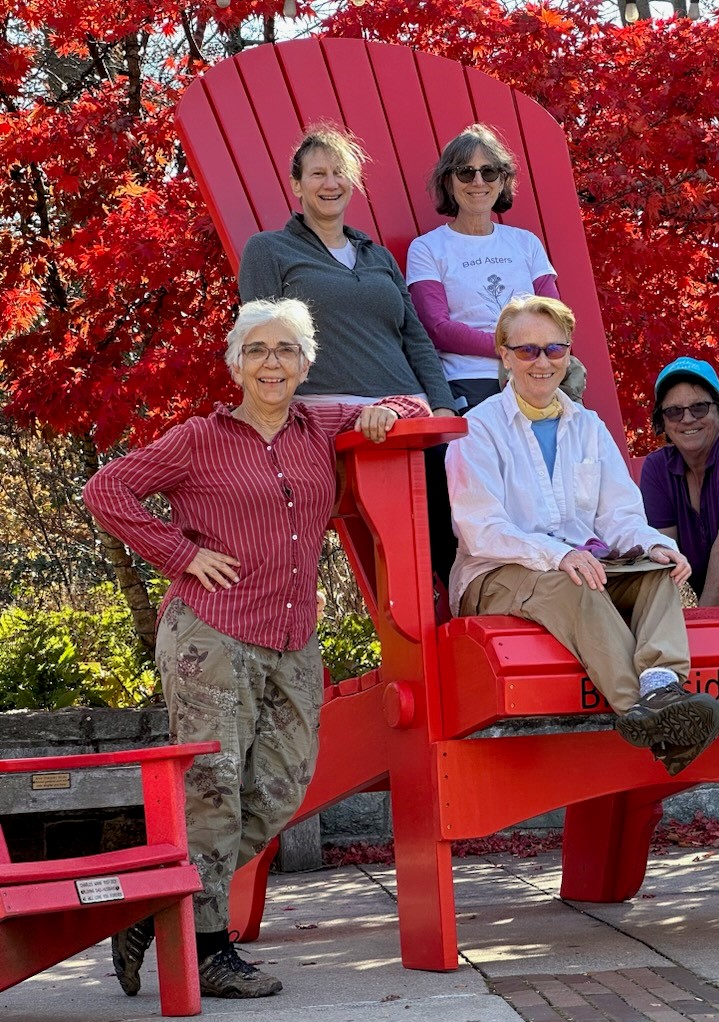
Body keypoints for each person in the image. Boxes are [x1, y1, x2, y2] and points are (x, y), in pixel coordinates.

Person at [83, 298, 428, 999]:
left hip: (291, 634)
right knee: (213, 792)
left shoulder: (320, 424)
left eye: (286, 350)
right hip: (210, 632)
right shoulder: (197, 439)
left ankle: (152, 902)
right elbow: (107, 490)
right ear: (236, 362)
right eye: (258, 350)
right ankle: (209, 951)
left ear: (306, 363)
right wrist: (179, 554)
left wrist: (383, 412)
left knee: (281, 786)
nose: (272, 363)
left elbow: (410, 402)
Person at [446, 295, 719, 775]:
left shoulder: (588, 427)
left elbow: (617, 515)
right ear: (503, 353)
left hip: (583, 569)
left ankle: (661, 686)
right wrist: (558, 555)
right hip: (496, 574)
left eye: (554, 350)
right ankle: (641, 709)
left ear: (568, 355)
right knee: (572, 580)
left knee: (653, 573)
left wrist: (656, 545)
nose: (542, 362)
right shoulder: (477, 429)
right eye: (527, 350)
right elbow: (482, 530)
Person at [237, 123, 457, 579]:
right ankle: (421, 617)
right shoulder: (269, 250)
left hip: (405, 409)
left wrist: (438, 405)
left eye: (340, 172)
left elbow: (414, 336)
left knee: (459, 501)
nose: (331, 183)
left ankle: (460, 603)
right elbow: (260, 344)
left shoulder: (376, 257)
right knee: (399, 523)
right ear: (296, 185)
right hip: (329, 414)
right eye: (318, 174)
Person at [406, 123, 559, 411]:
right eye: (465, 172)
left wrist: (523, 353)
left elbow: (554, 317)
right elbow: (437, 328)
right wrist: (510, 348)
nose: (478, 182)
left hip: (535, 375)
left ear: (502, 181)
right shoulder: (427, 248)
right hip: (471, 379)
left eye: (489, 172)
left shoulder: (526, 243)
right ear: (449, 182)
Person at [640, 356, 719, 607]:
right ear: (662, 421)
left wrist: (702, 621)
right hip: (698, 600)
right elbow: (665, 554)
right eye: (673, 411)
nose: (687, 419)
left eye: (699, 408)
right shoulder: (657, 467)